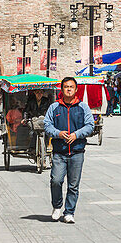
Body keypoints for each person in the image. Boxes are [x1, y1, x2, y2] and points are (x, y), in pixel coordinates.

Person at [44, 77, 94, 223]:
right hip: (59, 151)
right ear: (62, 89)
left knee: (73, 185)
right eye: (66, 87)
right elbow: (47, 125)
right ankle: (57, 206)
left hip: (77, 152)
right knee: (56, 180)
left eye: (71, 87)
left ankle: (69, 212)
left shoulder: (83, 107)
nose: (69, 89)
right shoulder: (54, 107)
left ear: (76, 89)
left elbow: (90, 125)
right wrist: (58, 133)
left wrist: (76, 135)